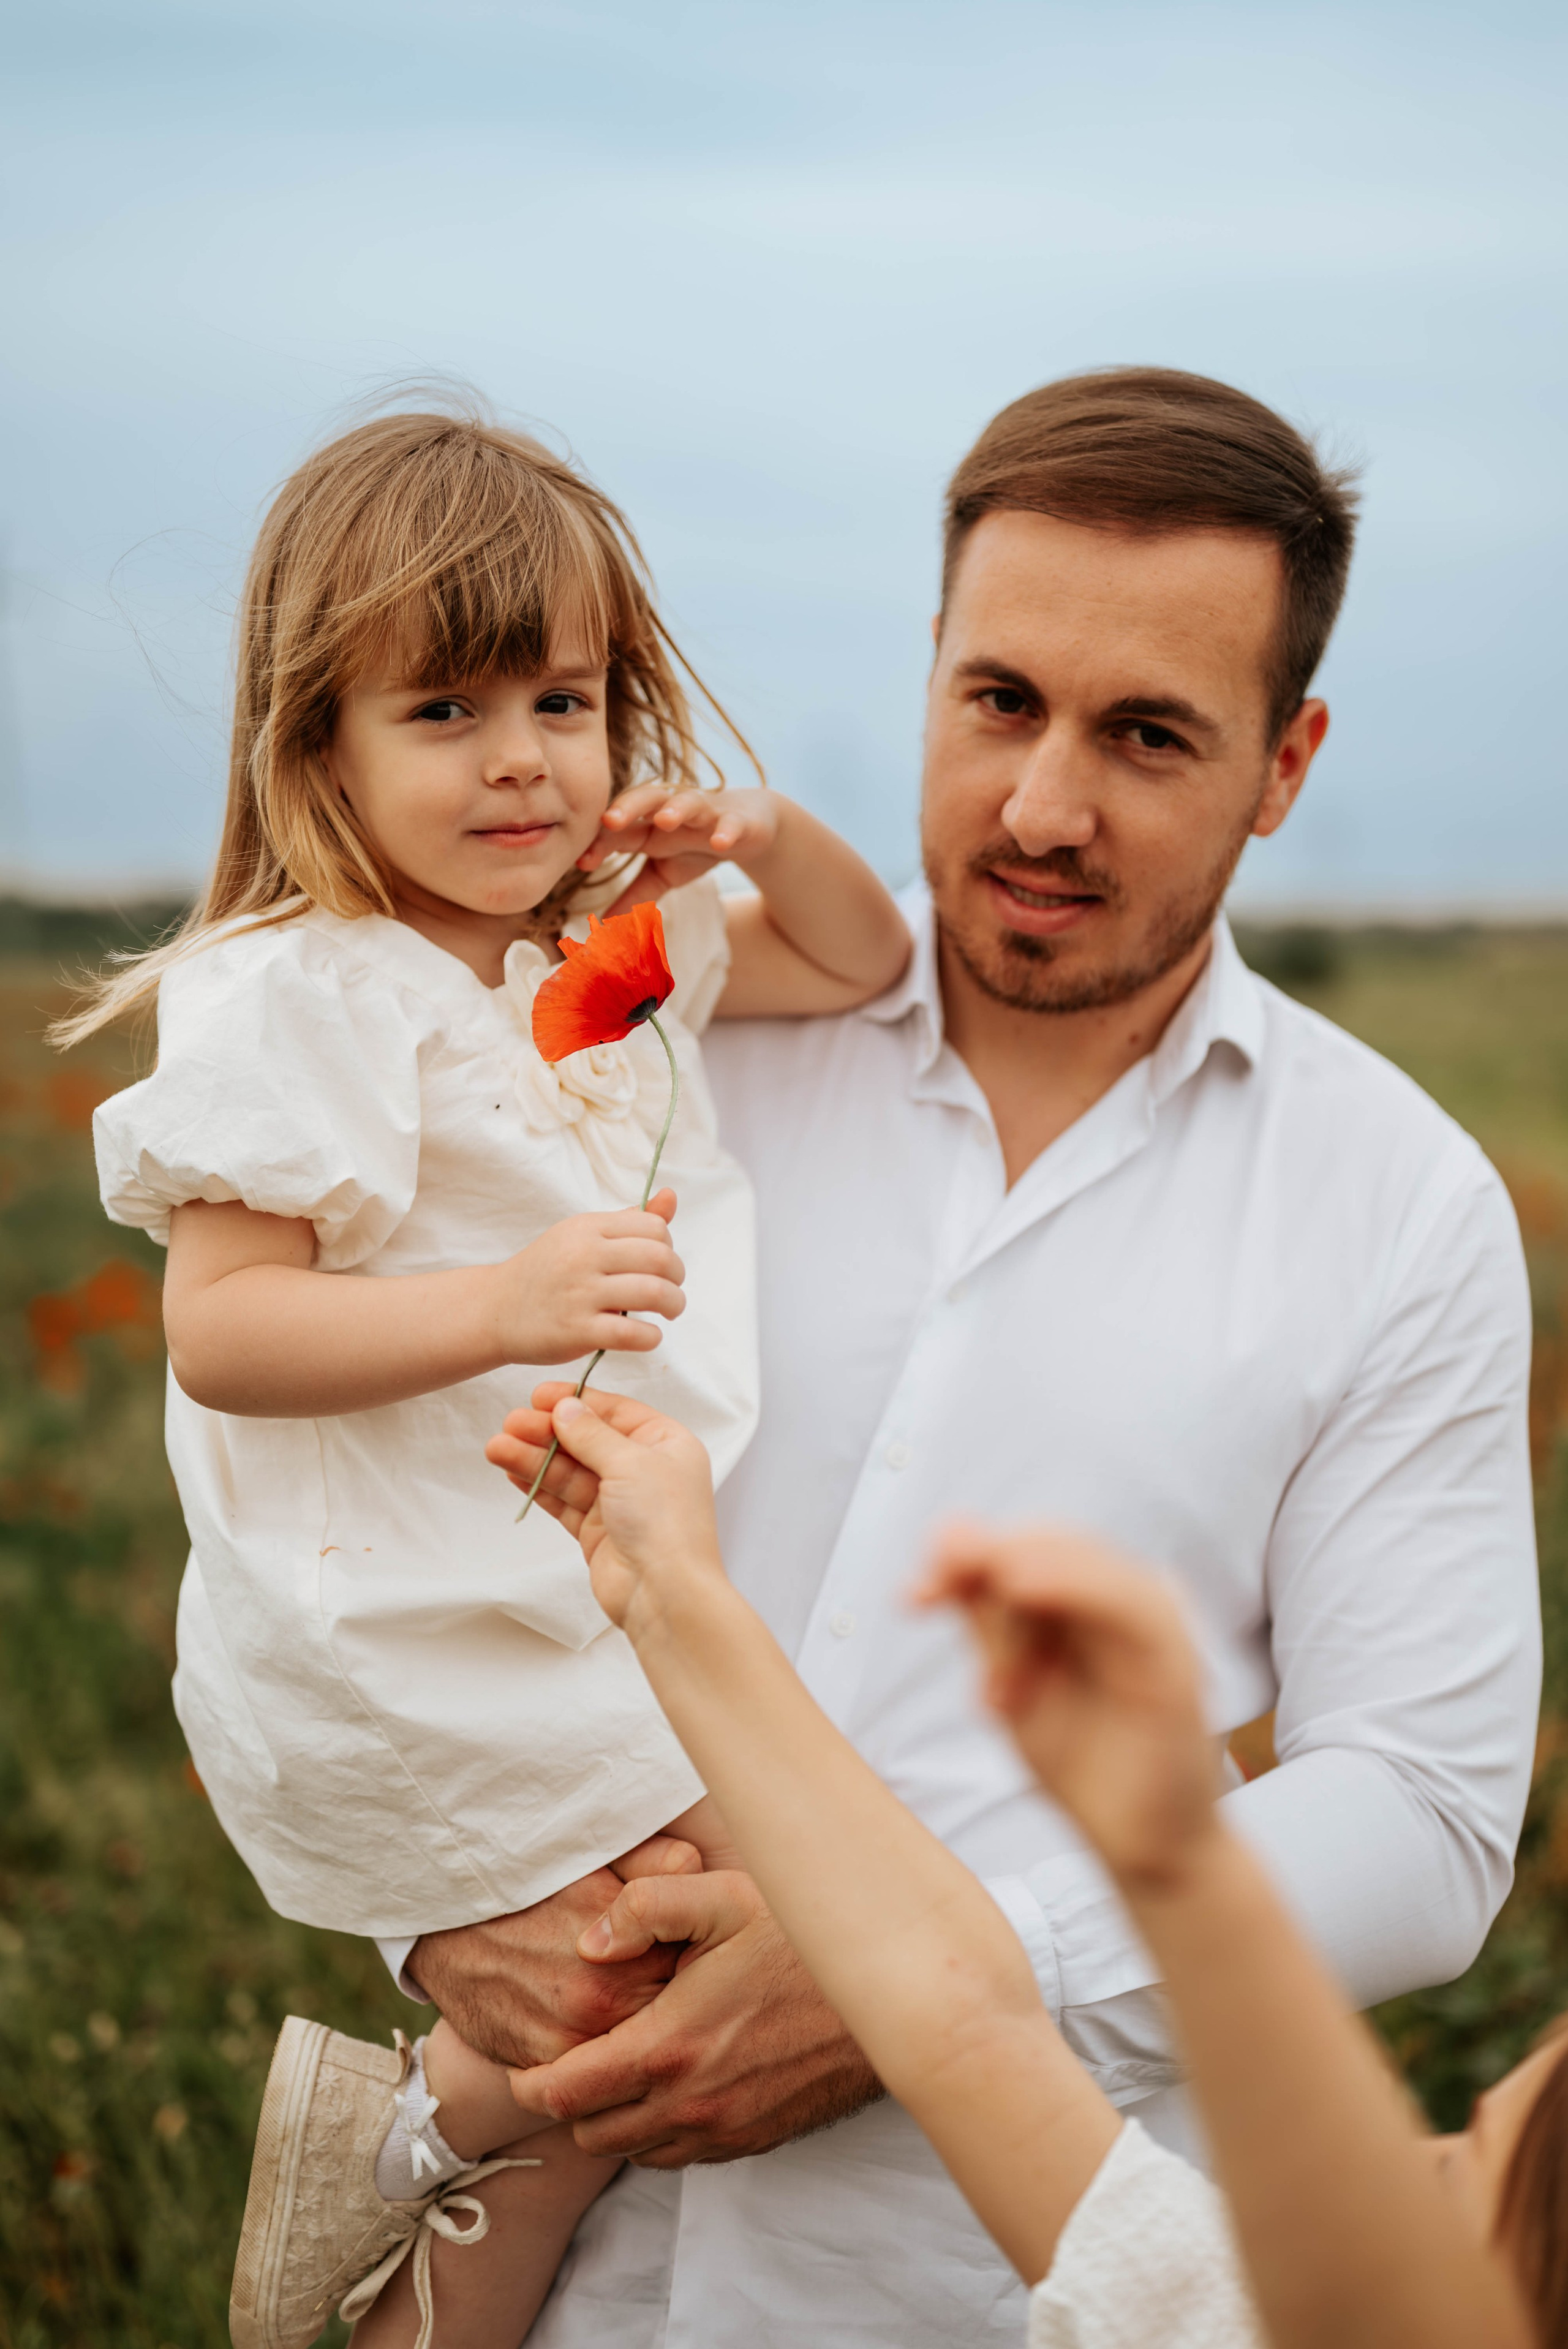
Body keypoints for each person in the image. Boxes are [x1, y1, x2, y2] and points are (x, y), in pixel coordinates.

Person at [417, 369, 1541, 2349]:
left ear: (1289, 763)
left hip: (978, 2284)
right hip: (507, 2248)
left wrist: (930, 1969)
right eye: (1000, 701)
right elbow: (354, 1485)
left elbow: (1424, 1811)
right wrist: (442, 1907)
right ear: (931, 662)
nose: (1040, 805)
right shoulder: (653, 1025)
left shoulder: (1403, 1206)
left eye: (1150, 735)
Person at [71, 405, 910, 2348]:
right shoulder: (301, 987)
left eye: (566, 694)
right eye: (443, 711)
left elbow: (858, 965)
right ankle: (422, 2126)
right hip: (412, 1615)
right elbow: (224, 1328)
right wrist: (498, 1301)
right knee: (646, 1975)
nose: (522, 755)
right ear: (319, 748)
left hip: (573, 1578)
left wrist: (769, 835)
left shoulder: (613, 946)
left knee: (625, 2041)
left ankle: (414, 2175)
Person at [486, 1379, 1558, 2349]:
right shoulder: (1197, 2305)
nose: (1406, 2168)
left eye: (1463, 2170)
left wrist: (675, 1598)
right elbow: (963, 2025)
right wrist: (1166, 1850)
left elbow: (962, 2022)